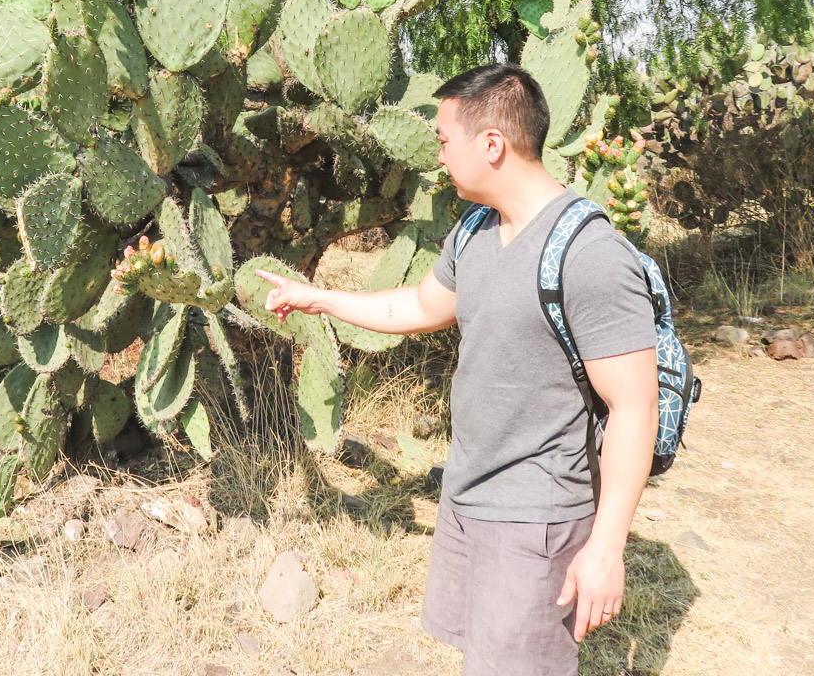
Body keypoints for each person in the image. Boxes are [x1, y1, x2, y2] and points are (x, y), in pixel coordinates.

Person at [256, 63, 659, 675]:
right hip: (468, 489)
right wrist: (319, 298)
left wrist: (606, 547)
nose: (438, 156)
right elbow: (421, 305)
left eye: (445, 140)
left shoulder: (591, 254)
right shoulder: (474, 229)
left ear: (491, 144)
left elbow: (635, 407)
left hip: (535, 511)